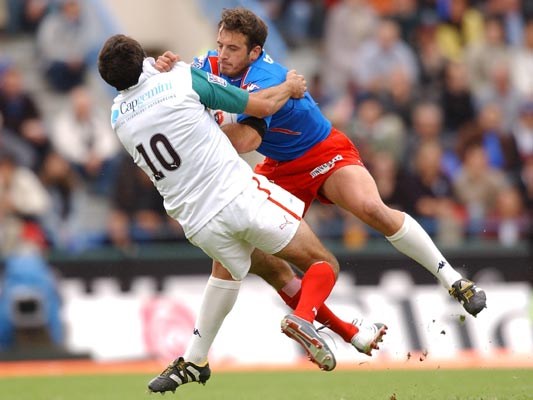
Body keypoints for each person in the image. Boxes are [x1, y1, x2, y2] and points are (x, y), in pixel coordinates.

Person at [155, 7, 486, 343]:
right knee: (252, 261)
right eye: (220, 45)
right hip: (279, 165)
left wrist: (193, 136)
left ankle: (453, 281)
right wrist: (164, 69)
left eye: (233, 49)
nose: (222, 55)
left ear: (255, 52)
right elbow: (178, 78)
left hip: (323, 151)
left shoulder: (265, 78)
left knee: (371, 209)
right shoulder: (211, 64)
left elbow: (245, 141)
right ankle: (343, 332)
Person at [98, 34, 385, 394]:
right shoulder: (180, 78)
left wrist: (156, 69)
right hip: (237, 196)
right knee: (323, 264)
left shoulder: (117, 117)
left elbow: (145, 90)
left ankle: (195, 360)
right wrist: (289, 86)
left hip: (196, 221)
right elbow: (259, 106)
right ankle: (302, 320)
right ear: (144, 59)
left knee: (252, 273)